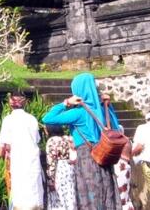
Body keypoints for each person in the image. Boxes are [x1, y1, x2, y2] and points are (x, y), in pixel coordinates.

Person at [40, 73, 122, 210]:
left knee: (90, 195)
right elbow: (116, 128)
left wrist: (66, 103)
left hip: (86, 158)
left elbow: (48, 118)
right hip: (104, 156)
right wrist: (109, 105)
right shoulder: (103, 109)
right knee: (107, 192)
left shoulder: (79, 113)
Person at [0, 92, 45, 210]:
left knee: (20, 198)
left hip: (18, 163)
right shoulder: (32, 119)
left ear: (11, 104)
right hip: (32, 162)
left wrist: (1, 156)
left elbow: (2, 146)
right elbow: (36, 140)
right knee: (34, 196)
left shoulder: (8, 120)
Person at [45, 124, 78, 210]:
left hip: (59, 169)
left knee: (59, 198)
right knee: (70, 195)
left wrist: (51, 179)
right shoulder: (67, 138)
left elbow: (51, 161)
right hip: (69, 167)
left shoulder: (51, 141)